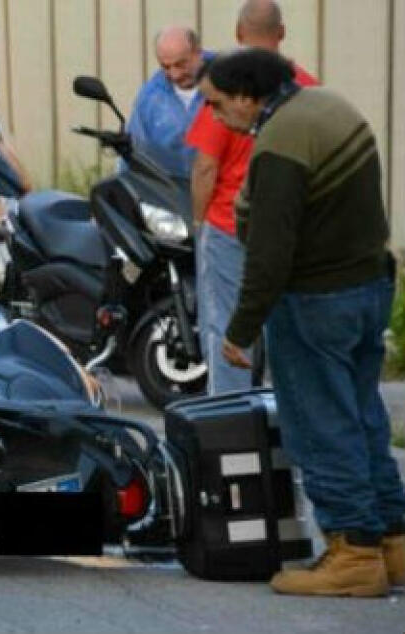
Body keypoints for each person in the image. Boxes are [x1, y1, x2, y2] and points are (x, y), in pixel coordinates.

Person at [202, 48, 405, 597]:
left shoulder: (281, 142)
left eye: (219, 104)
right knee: (362, 417)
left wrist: (240, 331)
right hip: (369, 286)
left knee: (320, 426)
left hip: (316, 300)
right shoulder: (329, 106)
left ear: (248, 96)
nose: (217, 116)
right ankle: (392, 540)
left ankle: (353, 554)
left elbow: (270, 253)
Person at [186, 0, 318, 394]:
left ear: (239, 35)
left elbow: (205, 168)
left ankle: (232, 430)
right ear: (281, 34)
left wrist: (198, 223)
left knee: (226, 333)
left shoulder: (228, 87)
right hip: (287, 231)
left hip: (229, 227)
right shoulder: (307, 88)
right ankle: (290, 424)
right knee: (287, 332)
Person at [124, 26, 210, 188]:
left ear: (198, 52)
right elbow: (135, 152)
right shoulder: (150, 98)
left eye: (180, 64)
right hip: (173, 196)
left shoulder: (227, 80)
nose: (175, 74)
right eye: (166, 67)